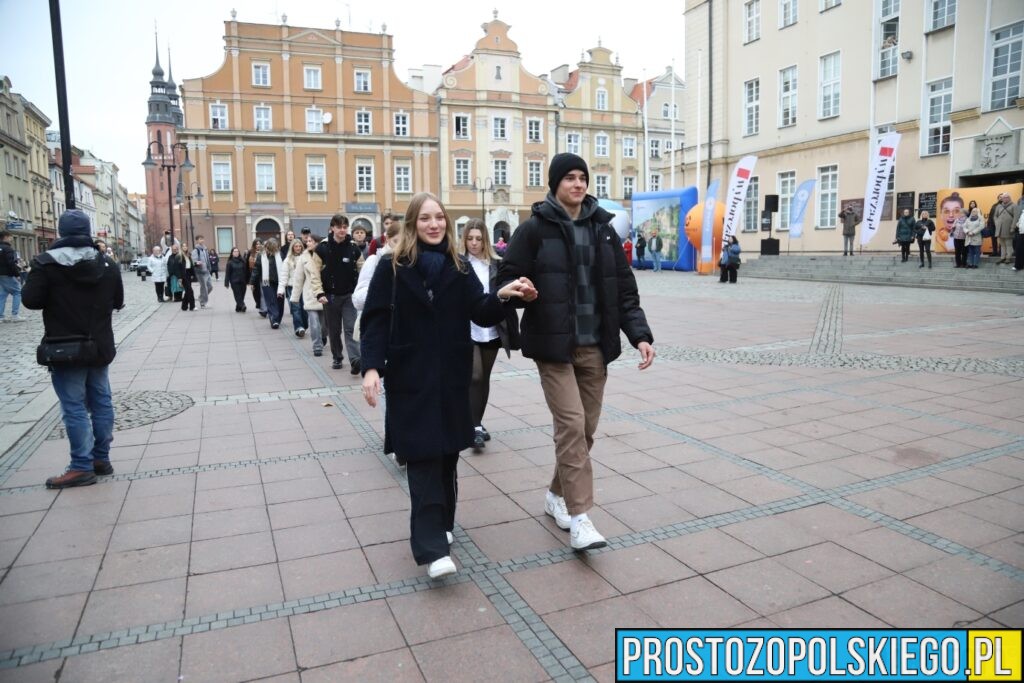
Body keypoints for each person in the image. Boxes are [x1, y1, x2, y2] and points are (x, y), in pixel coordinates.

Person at [360, 192, 534, 579]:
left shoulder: (459, 267)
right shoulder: (392, 267)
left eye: (439, 217)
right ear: (412, 224)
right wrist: (372, 368)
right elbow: (374, 321)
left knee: (447, 458)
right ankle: (431, 547)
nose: (434, 224)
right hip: (411, 377)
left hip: (452, 377)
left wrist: (504, 297)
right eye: (425, 218)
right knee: (422, 458)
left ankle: (444, 523)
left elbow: (480, 309)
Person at [498, 152, 655, 551]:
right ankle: (581, 517)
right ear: (554, 184)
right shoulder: (534, 229)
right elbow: (504, 278)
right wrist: (522, 289)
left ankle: (556, 495)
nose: (578, 183)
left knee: (584, 432)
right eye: (569, 177)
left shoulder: (604, 230)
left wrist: (639, 334)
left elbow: (624, 289)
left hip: (595, 347)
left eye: (582, 177)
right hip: (553, 346)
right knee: (570, 425)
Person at [22, 209, 124, 489]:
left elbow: (30, 300)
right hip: (99, 345)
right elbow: (118, 301)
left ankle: (81, 465)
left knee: (74, 406)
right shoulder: (107, 264)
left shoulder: (45, 264)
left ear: (61, 232)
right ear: (88, 231)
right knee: (101, 401)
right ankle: (100, 458)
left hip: (64, 347)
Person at [460, 218, 519, 451]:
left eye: (478, 238)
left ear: (485, 239)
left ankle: (477, 423)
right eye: (470, 238)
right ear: (464, 240)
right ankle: (473, 427)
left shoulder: (496, 264)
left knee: (484, 378)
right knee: (474, 375)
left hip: (492, 327)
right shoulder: (459, 264)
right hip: (467, 326)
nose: (474, 243)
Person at [316, 214, 363, 373]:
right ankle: (337, 357)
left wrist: (362, 288)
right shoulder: (322, 248)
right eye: (339, 227)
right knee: (334, 330)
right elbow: (314, 274)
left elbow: (362, 269)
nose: (342, 230)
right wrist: (319, 293)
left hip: (349, 295)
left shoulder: (353, 247)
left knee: (350, 328)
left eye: (345, 227)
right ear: (332, 228)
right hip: (330, 296)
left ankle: (355, 360)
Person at [291, 235, 327, 356]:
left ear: (317, 243)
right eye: (307, 241)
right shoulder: (303, 258)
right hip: (310, 294)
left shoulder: (326, 255)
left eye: (310, 241)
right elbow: (298, 279)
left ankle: (323, 338)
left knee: (324, 325)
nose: (307, 243)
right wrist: (295, 298)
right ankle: (317, 346)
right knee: (314, 323)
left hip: (324, 293)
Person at [251, 237, 284, 328]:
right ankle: (274, 319)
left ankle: (278, 318)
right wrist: (252, 282)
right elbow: (256, 269)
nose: (275, 249)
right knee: (271, 301)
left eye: (276, 247)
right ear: (269, 247)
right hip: (267, 283)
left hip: (279, 282)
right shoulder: (261, 255)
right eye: (274, 247)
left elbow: (285, 268)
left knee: (280, 301)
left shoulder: (280, 254)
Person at [278, 238, 309, 337]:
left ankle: (304, 325)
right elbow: (284, 276)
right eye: (296, 246)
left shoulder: (306, 257)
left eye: (300, 246)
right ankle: (298, 327)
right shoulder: (288, 260)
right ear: (292, 248)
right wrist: (281, 290)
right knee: (296, 308)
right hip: (292, 287)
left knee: (304, 308)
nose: (298, 248)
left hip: (304, 287)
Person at [0, 230, 25, 322]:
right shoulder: (8, 249)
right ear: (6, 237)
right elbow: (11, 263)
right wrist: (17, 274)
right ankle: (15, 315)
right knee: (17, 292)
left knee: (2, 294)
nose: (11, 239)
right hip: (8, 274)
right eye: (10, 237)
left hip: (0, 275)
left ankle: (0, 317)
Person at [993, 192, 1019, 264]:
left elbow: (1016, 217)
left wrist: (1013, 227)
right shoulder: (999, 206)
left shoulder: (1014, 206)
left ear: (1009, 198)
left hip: (1009, 228)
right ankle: (1002, 257)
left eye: (1006, 197)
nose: (1004, 198)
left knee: (1008, 244)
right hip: (1000, 228)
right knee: (1002, 244)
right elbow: (995, 216)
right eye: (1003, 197)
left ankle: (1008, 257)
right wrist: (996, 223)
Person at [937, 192, 965, 257]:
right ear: (941, 214)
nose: (951, 215)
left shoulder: (965, 234)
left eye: (956, 211)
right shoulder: (938, 239)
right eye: (946, 211)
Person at [244, 239, 265, 316]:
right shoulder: (250, 253)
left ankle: (263, 308)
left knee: (262, 292)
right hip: (253, 276)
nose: (258, 245)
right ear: (254, 245)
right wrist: (247, 279)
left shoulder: (264, 252)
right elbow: (246, 265)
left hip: (262, 276)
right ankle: (259, 304)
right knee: (255, 293)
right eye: (256, 244)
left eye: (259, 244)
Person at [192, 235, 214, 308]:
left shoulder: (205, 249)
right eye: (200, 239)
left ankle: (201, 297)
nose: (202, 240)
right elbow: (194, 261)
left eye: (202, 239)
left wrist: (209, 268)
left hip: (206, 271)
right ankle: (203, 303)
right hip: (200, 272)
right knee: (204, 287)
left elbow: (207, 259)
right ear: (197, 240)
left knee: (210, 287)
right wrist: (198, 262)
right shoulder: (195, 250)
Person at [223, 247, 248, 311]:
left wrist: (248, 280)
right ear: (232, 253)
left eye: (237, 251)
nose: (236, 253)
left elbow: (246, 271)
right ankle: (242, 305)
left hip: (243, 281)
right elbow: (227, 273)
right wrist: (226, 283)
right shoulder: (230, 263)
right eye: (234, 251)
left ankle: (238, 307)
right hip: (234, 281)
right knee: (237, 294)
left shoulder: (243, 261)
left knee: (242, 294)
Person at [177, 243, 196, 311]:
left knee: (188, 291)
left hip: (188, 274)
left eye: (186, 246)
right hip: (183, 275)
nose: (185, 247)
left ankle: (184, 306)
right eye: (183, 246)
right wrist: (180, 278)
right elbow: (178, 268)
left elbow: (191, 265)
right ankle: (192, 306)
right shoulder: (179, 256)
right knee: (190, 291)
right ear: (181, 247)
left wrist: (192, 274)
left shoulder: (188, 255)